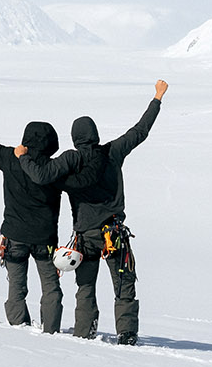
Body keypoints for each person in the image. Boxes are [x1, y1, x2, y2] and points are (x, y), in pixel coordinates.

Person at [16, 80, 167, 345]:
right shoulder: (113, 152)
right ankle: (127, 333)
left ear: (75, 138)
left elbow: (42, 175)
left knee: (85, 288)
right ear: (95, 134)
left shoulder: (70, 161)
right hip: (114, 233)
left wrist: (23, 157)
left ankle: (84, 332)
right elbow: (140, 131)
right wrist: (157, 98)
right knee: (124, 286)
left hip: (85, 238)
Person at [0, 107, 64, 333]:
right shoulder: (55, 168)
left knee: (16, 288)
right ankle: (51, 331)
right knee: (51, 288)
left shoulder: (11, 159)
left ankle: (19, 331)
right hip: (45, 239)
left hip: (15, 237)